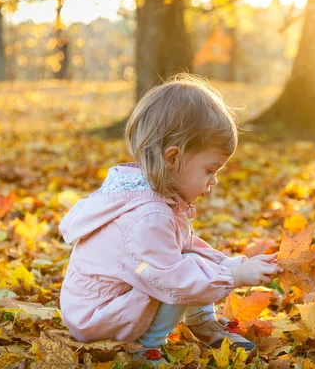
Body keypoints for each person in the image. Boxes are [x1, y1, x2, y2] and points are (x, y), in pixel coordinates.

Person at [59, 74, 281, 359]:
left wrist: (235, 265)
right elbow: (171, 278)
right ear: (173, 158)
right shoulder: (146, 216)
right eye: (210, 170)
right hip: (98, 317)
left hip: (112, 304)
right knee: (180, 277)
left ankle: (202, 323)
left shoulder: (152, 195)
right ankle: (145, 349)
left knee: (187, 264)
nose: (213, 181)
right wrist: (233, 277)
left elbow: (187, 247)